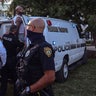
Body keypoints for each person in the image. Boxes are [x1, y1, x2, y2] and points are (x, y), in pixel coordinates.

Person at [17, 18, 55, 96]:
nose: (26, 28)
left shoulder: (44, 47)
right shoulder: (32, 46)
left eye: (28, 26)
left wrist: (29, 89)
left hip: (38, 92)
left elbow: (50, 77)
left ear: (33, 28)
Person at [0, 25, 24, 96]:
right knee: (15, 79)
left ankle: (2, 93)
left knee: (4, 79)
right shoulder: (15, 39)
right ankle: (16, 93)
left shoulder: (4, 36)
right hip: (12, 61)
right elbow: (21, 45)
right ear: (15, 30)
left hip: (4, 61)